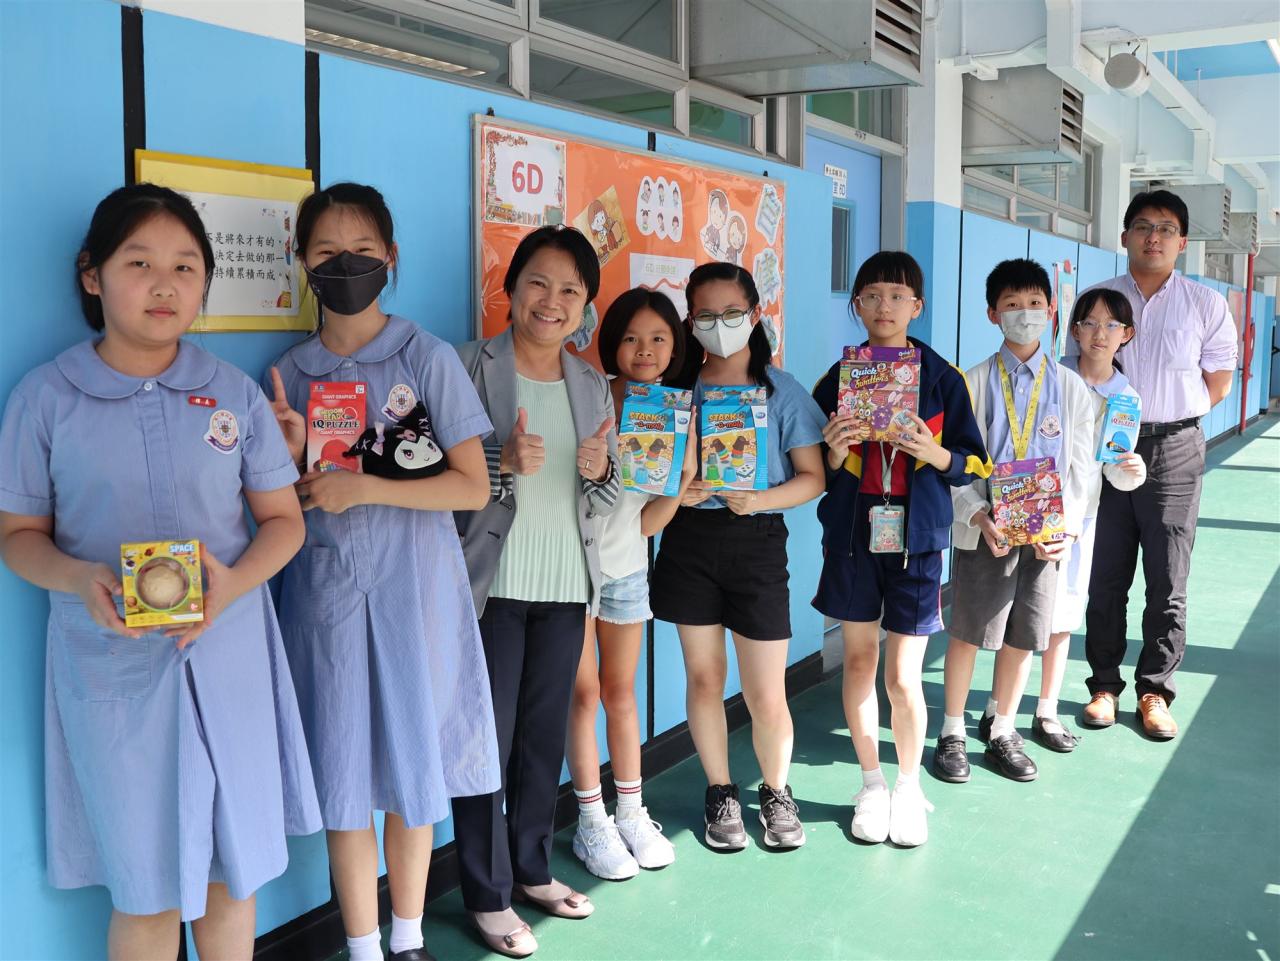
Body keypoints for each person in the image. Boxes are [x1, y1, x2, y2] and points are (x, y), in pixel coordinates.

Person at [0, 184, 320, 960]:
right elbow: (18, 536)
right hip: (113, 670)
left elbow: (285, 522)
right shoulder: (46, 398)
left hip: (229, 659)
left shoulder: (234, 393)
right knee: (144, 893)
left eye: (185, 266)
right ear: (93, 275)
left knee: (229, 880)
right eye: (139, 263)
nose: (164, 284)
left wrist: (233, 583)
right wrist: (77, 578)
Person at [267, 182, 501, 961]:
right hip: (325, 596)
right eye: (328, 251)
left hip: (415, 594)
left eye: (363, 250)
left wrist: (365, 485)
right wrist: (291, 454)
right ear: (302, 261)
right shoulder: (288, 373)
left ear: (391, 258)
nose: (346, 264)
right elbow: (278, 503)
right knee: (343, 776)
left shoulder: (424, 357)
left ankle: (408, 938)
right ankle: (363, 945)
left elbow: (472, 485)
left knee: (413, 771)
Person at [451, 226, 617, 959]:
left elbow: (605, 493)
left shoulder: (590, 381)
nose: (552, 301)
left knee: (542, 738)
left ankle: (532, 868)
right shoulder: (466, 365)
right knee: (484, 742)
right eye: (538, 283)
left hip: (566, 584)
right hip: (492, 586)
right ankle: (486, 895)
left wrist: (601, 470)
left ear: (585, 305)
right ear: (511, 288)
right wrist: (499, 460)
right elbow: (431, 474)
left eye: (570, 290)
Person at [811, 252, 990, 846]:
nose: (883, 306)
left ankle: (909, 787)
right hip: (852, 537)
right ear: (856, 305)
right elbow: (811, 467)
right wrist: (835, 452)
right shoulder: (838, 379)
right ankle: (871, 784)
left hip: (917, 541)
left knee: (903, 676)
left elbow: (974, 462)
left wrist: (934, 454)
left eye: (896, 295)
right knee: (859, 662)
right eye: (871, 295)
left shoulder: (942, 378)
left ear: (917, 306)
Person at [651, 262, 826, 852]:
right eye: (705, 315)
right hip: (688, 541)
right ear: (690, 321)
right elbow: (647, 471)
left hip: (756, 543)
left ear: (754, 315)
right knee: (704, 678)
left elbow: (813, 477)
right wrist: (679, 489)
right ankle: (720, 790)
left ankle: (776, 791)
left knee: (765, 691)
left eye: (731, 313)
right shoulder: (674, 391)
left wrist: (759, 500)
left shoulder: (782, 391)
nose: (719, 325)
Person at [1082, 189, 1238, 739]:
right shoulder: (1098, 299)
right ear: (1125, 235)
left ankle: (1154, 690)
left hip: (1175, 449)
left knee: (1167, 577)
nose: (1155, 237)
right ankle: (1103, 686)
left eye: (1166, 228)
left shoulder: (1205, 304)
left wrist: (1169, 420)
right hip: (1106, 448)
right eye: (1144, 226)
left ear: (1182, 242)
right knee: (1105, 574)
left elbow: (1218, 381)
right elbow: (1079, 370)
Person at [933, 258, 1093, 785]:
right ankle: (952, 731)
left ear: (1051, 311)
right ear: (992, 314)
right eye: (1012, 305)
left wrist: (1065, 529)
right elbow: (955, 465)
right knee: (967, 632)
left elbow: (1082, 470)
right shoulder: (971, 382)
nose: (1024, 314)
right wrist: (977, 515)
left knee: (1024, 635)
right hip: (987, 530)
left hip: (1045, 538)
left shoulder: (1070, 387)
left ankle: (1003, 729)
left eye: (1034, 304)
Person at [567, 288, 692, 880]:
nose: (645, 350)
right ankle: (590, 821)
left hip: (626, 572)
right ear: (612, 343)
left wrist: (681, 480)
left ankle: (631, 813)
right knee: (582, 695)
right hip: (570, 569)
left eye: (658, 339)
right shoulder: (585, 396)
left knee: (620, 694)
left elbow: (646, 524)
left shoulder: (670, 412)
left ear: (674, 347)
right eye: (632, 338)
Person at [1037, 290, 1147, 753]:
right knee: (1018, 612)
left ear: (1127, 335)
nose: (1099, 334)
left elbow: (1113, 471)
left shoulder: (1126, 399)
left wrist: (1131, 472)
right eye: (1089, 323)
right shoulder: (1050, 377)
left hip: (1078, 517)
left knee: (1062, 615)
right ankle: (998, 710)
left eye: (1111, 325)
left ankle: (1046, 709)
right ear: (1074, 329)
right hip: (1031, 507)